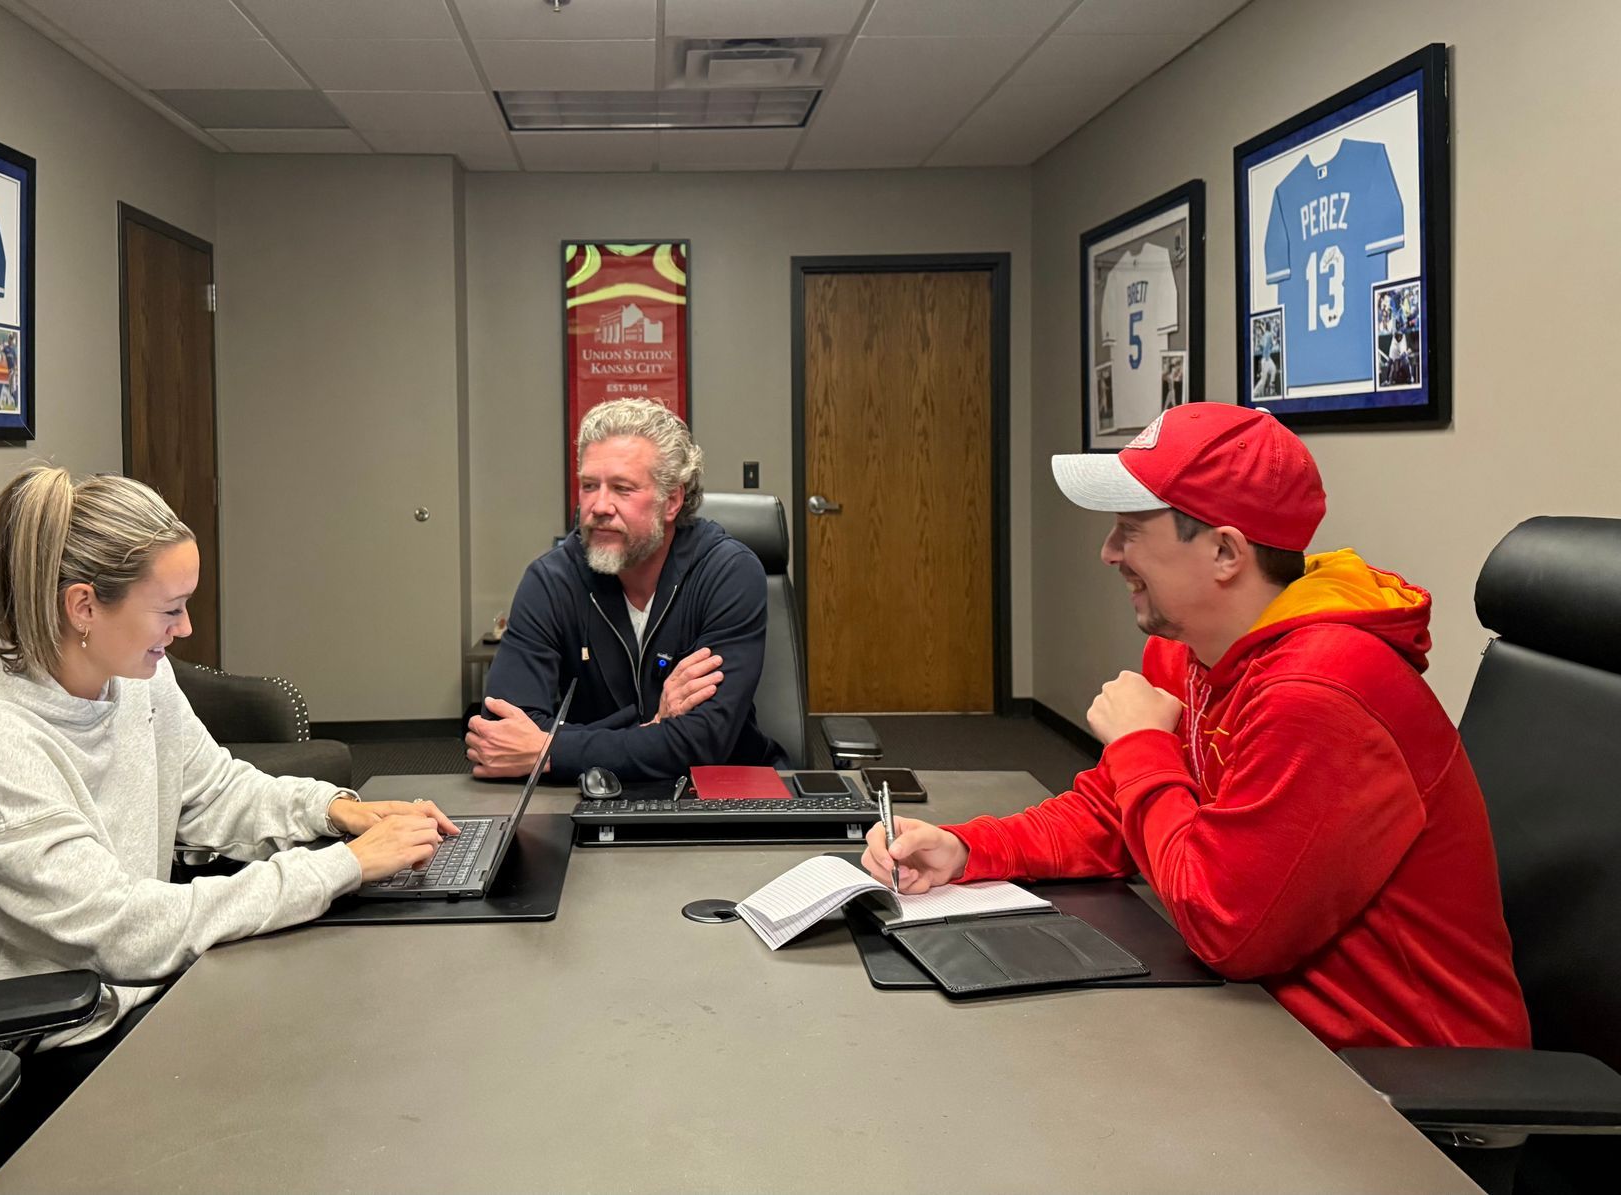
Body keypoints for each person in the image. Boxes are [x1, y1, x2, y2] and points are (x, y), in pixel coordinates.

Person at [863, 403, 1529, 1051]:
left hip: (1399, 1080)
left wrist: (1141, 743)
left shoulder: (1324, 690)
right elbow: (1112, 812)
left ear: (1224, 552)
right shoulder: (1190, 652)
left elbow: (1227, 929)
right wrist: (966, 847)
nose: (1108, 551)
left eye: (1130, 528)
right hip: (1265, 1020)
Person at [0, 465, 457, 1052]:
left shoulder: (135, 677)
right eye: (170, 609)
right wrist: (343, 867)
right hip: (11, 1048)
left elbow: (215, 791)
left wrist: (333, 813)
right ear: (83, 607)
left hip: (119, 992)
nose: (185, 628)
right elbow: (123, 929)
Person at [470, 398, 785, 782]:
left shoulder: (727, 573)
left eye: (622, 489)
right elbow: (499, 735)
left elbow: (705, 742)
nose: (599, 505)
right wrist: (653, 729)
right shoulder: (551, 580)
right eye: (589, 486)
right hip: (590, 792)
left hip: (721, 794)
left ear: (672, 501)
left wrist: (550, 748)